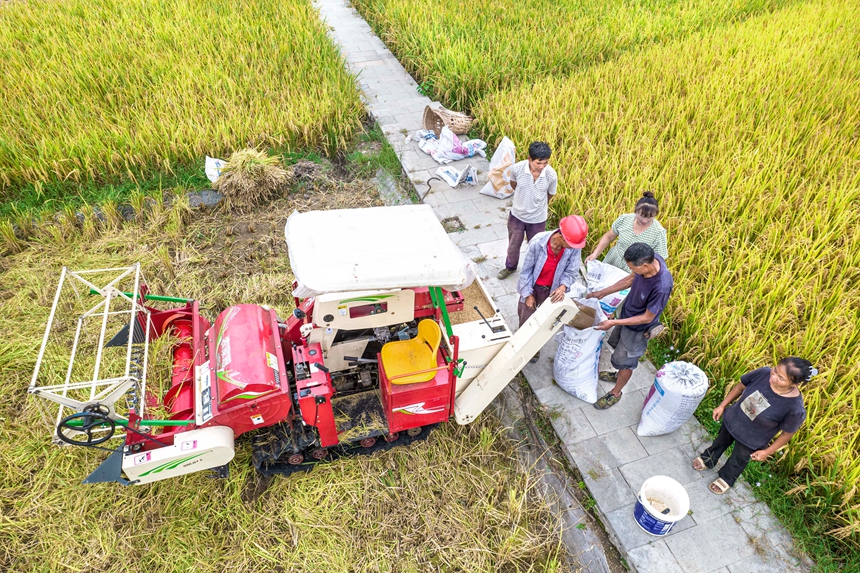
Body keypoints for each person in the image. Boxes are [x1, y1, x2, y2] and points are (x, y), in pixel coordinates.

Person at [693, 358, 814, 494]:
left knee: (738, 459)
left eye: (780, 378)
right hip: (733, 420)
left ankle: (727, 478)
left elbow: (787, 434)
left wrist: (767, 452)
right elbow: (740, 387)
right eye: (775, 370)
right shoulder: (763, 373)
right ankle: (708, 459)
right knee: (719, 442)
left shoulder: (794, 408)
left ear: (796, 384)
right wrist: (722, 406)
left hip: (752, 439)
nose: (773, 377)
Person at [587, 243, 673, 409]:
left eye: (633, 267)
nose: (632, 270)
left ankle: (616, 393)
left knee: (626, 362)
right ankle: (618, 374)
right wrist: (603, 292)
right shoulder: (649, 259)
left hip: (638, 329)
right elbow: (630, 279)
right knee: (617, 350)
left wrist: (613, 322)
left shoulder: (661, 286)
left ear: (645, 266)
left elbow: (647, 317)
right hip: (627, 315)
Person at [517, 215, 588, 362]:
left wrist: (563, 287)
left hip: (553, 291)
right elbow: (526, 271)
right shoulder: (538, 242)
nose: (573, 248)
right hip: (533, 287)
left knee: (545, 321)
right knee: (526, 317)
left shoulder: (573, 249)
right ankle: (520, 343)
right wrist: (528, 294)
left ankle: (534, 348)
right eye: (571, 244)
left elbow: (571, 271)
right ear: (561, 237)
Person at [497, 142, 558, 280]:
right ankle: (510, 267)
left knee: (537, 248)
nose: (541, 167)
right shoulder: (517, 169)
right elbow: (514, 185)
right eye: (538, 163)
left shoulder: (551, 175)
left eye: (545, 163)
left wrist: (538, 205)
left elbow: (550, 194)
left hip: (538, 218)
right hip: (517, 215)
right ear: (530, 158)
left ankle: (535, 272)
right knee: (513, 244)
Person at [584, 191, 668, 272]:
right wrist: (595, 254)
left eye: (650, 217)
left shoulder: (658, 232)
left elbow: (659, 259)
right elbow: (608, 237)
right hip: (614, 260)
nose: (645, 220)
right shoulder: (624, 219)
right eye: (641, 215)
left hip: (634, 270)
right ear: (636, 210)